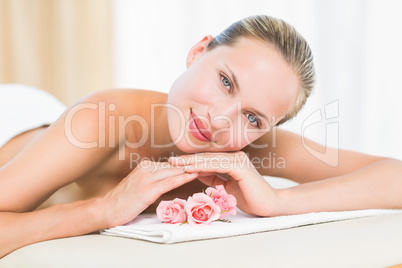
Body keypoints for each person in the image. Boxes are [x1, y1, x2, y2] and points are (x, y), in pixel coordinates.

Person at [0, 15, 401, 258]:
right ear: (198, 52)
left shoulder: (249, 147)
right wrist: (103, 209)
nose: (221, 121)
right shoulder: (101, 121)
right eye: (226, 81)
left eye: (254, 117)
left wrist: (279, 199)